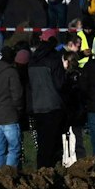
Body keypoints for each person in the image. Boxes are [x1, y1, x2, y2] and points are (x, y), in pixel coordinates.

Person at [24, 32, 70, 168]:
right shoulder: (54, 59)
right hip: (53, 106)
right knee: (54, 144)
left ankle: (42, 171)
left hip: (37, 107)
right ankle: (50, 170)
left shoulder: (32, 60)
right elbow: (60, 84)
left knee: (42, 142)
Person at [0, 49, 26, 167]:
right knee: (14, 148)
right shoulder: (11, 73)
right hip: (10, 116)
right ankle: (9, 174)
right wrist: (19, 109)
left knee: (0, 150)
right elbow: (17, 94)